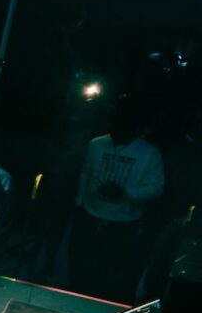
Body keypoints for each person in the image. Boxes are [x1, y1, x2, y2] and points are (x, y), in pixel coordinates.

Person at [68, 97, 165, 301]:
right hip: (89, 216)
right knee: (79, 270)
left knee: (108, 277)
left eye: (122, 124)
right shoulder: (97, 144)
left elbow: (156, 187)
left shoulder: (149, 153)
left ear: (135, 126)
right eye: (113, 123)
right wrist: (79, 203)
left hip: (122, 225)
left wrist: (126, 193)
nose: (115, 128)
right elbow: (86, 173)